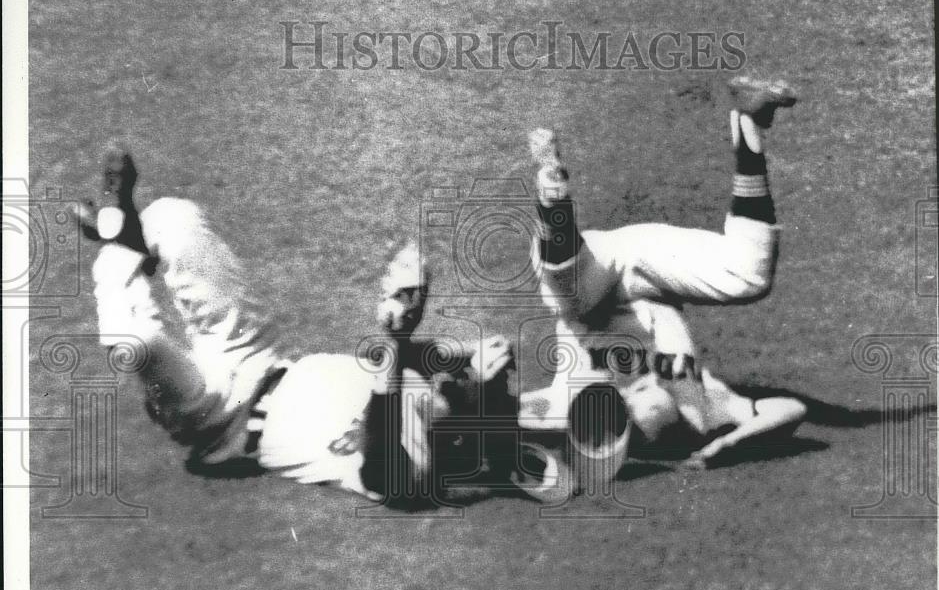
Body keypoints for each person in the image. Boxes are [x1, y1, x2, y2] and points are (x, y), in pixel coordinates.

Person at [75, 149, 561, 504]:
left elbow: (381, 461)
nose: (463, 377)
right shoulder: (424, 385)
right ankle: (126, 231)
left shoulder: (417, 466)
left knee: (137, 343)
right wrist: (464, 353)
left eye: (477, 386)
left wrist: (399, 341)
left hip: (220, 422)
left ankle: (115, 246)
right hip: (258, 354)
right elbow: (404, 364)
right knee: (177, 218)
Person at [519, 76, 808, 472]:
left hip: (597, 271)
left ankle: (552, 190)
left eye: (633, 395)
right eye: (650, 390)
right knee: (750, 277)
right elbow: (790, 410)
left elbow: (495, 417)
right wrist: (730, 444)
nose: (641, 383)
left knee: (568, 299)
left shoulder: (570, 409)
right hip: (653, 269)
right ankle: (748, 119)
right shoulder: (705, 412)